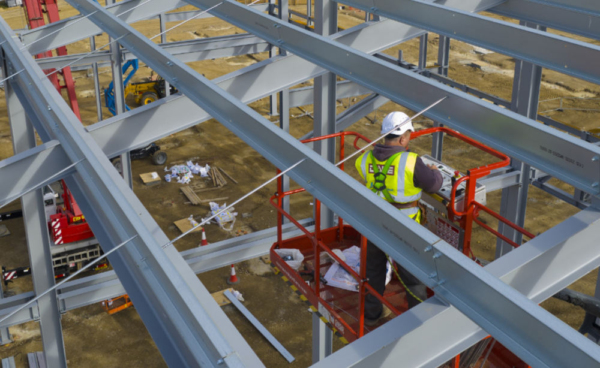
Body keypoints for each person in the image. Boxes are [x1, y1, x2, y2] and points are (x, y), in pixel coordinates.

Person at [355, 111, 443, 325]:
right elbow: (434, 184)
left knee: (373, 272)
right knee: (413, 279)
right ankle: (417, 323)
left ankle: (372, 315)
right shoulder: (411, 161)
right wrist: (434, 171)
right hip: (405, 229)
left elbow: (369, 174)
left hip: (374, 223)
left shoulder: (364, 158)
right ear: (403, 138)